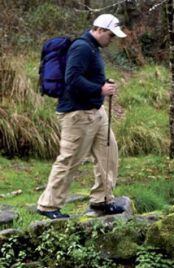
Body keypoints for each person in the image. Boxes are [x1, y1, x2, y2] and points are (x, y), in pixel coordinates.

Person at [37, 14, 128, 219]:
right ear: (100, 30)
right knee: (69, 160)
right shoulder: (81, 47)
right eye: (111, 35)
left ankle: (102, 200)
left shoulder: (92, 48)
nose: (112, 40)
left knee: (109, 154)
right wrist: (100, 89)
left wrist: (101, 85)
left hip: (96, 112)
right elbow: (72, 79)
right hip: (77, 114)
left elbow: (85, 76)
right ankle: (48, 205)